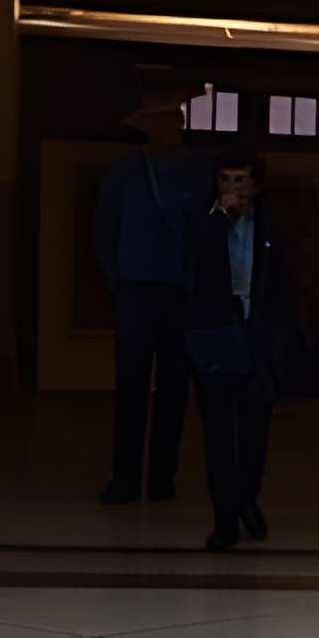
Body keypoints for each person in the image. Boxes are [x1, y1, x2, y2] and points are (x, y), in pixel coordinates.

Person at [181, 149, 299, 552]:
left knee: (254, 435)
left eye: (241, 180)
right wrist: (219, 217)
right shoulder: (204, 222)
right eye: (225, 180)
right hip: (215, 338)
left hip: (258, 340)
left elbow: (286, 287)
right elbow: (191, 260)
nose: (233, 189)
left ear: (256, 185)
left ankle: (246, 498)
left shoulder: (272, 227)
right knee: (217, 436)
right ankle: (225, 520)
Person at [92, 100, 209, 506]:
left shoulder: (196, 169)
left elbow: (205, 227)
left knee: (174, 389)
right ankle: (125, 477)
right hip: (137, 289)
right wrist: (118, 278)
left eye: (175, 119)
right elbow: (104, 229)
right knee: (132, 388)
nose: (173, 126)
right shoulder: (125, 170)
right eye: (164, 120)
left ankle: (162, 477)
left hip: (178, 289)